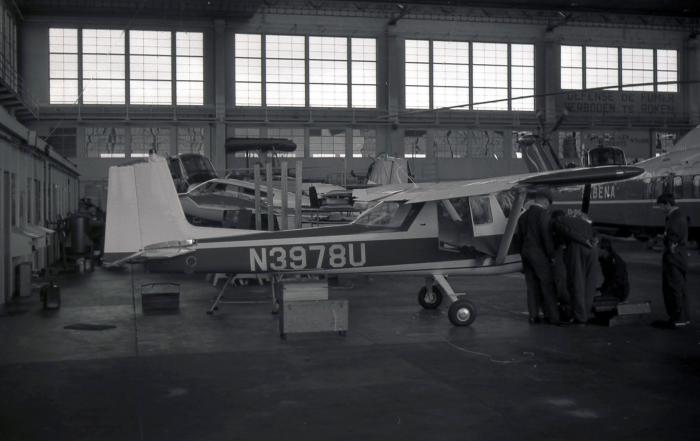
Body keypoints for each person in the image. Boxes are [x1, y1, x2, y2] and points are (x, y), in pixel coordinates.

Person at [513, 191, 562, 325]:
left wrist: (523, 252)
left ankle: (533, 316)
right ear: (545, 202)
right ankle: (553, 317)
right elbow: (546, 237)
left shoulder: (523, 216)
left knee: (531, 286)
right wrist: (552, 255)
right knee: (547, 285)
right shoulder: (543, 215)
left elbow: (519, 237)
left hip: (525, 254)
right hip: (539, 255)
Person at [550, 209, 598, 325]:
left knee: (577, 282)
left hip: (577, 248)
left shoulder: (557, 221)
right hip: (593, 251)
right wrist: (591, 242)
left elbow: (567, 232)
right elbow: (595, 235)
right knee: (589, 284)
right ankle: (585, 313)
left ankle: (580, 317)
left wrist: (583, 241)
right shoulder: (584, 222)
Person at [655, 193, 690, 327]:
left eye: (661, 206)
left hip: (673, 258)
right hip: (680, 257)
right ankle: (684, 317)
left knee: (673, 287)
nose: (660, 209)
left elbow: (673, 240)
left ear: (667, 204)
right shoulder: (680, 215)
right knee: (680, 287)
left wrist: (667, 245)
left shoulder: (674, 218)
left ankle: (677, 318)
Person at [596, 237, 629, 303]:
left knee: (591, 300)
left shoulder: (615, 261)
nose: (594, 251)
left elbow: (618, 281)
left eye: (596, 248)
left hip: (619, 293)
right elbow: (608, 279)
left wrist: (604, 290)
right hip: (611, 290)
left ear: (604, 249)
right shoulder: (604, 260)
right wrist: (600, 289)